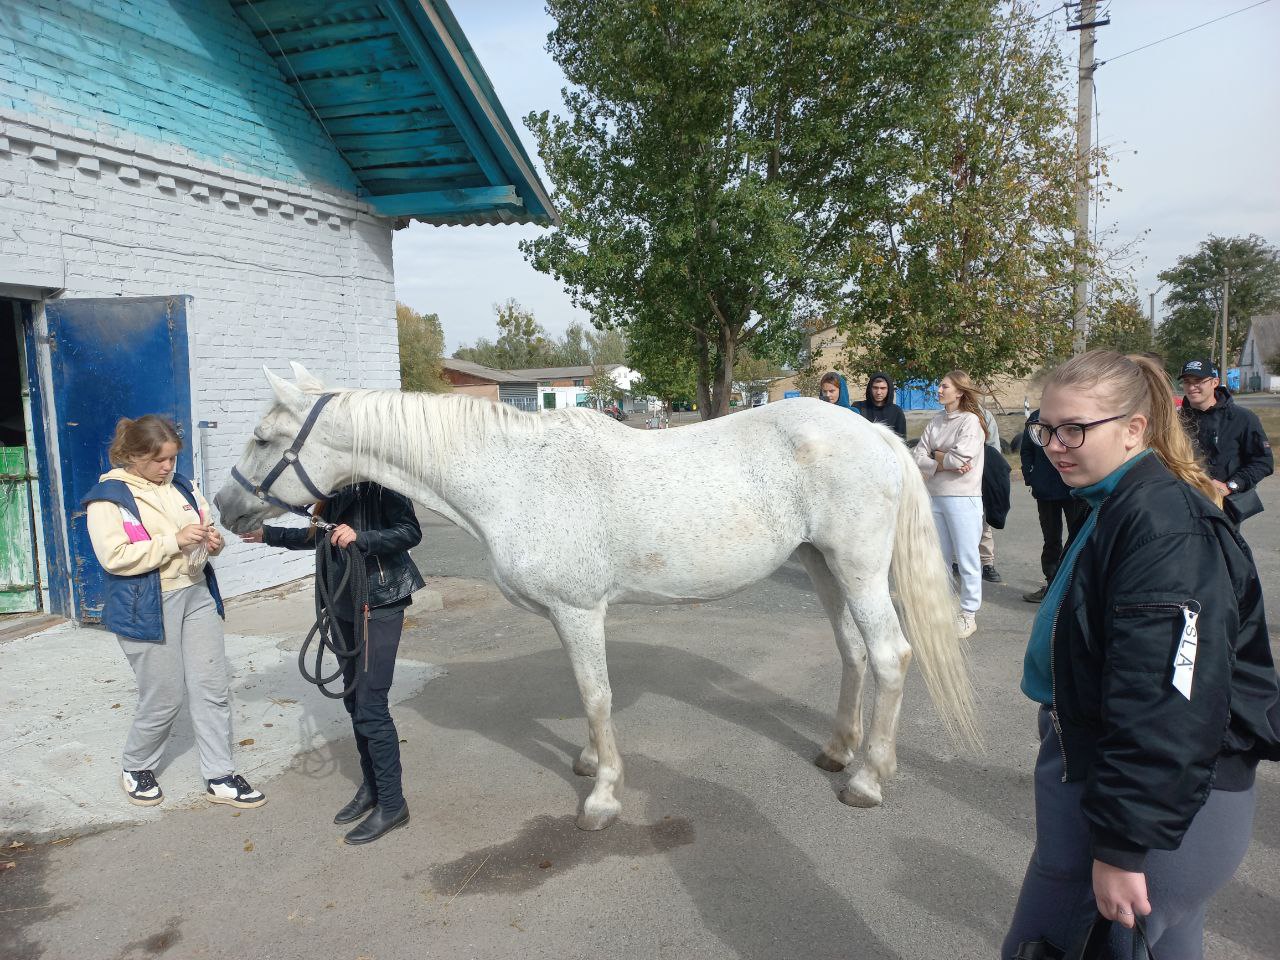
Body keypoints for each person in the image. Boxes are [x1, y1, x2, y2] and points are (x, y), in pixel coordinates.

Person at [1002, 351, 1280, 960]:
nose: (1053, 444)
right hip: (1131, 781)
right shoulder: (1120, 502)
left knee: (1050, 946)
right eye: (1045, 428)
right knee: (1169, 944)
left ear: (1135, 428)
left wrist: (1123, 847)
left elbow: (1166, 700)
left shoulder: (1162, 528)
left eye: (1075, 428)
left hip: (1160, 802)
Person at [83, 415, 266, 810]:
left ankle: (219, 775)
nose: (168, 467)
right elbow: (115, 558)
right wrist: (173, 541)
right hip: (147, 603)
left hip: (197, 593)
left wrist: (212, 541)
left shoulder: (182, 485)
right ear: (132, 455)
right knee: (164, 695)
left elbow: (203, 527)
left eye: (172, 458)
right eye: (158, 460)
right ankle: (136, 766)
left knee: (211, 688)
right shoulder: (110, 498)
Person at [241, 483, 424, 845]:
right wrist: (268, 535)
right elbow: (320, 538)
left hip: (379, 601)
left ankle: (393, 804)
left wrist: (363, 537)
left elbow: (410, 532)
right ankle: (372, 788)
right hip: (342, 602)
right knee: (354, 699)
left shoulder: (381, 486)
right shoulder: (334, 490)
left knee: (371, 706)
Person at [913, 371, 986, 639]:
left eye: (944, 386)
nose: (939, 390)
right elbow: (918, 454)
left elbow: (961, 459)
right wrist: (942, 459)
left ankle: (968, 613)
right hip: (935, 496)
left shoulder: (971, 423)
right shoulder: (935, 421)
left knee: (967, 558)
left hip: (963, 498)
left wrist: (936, 457)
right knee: (939, 558)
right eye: (940, 385)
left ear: (960, 392)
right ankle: (941, 609)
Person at [1177, 357, 1273, 525]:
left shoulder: (1242, 418)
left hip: (1223, 511)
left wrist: (1231, 486)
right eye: (1186, 382)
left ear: (1215, 382)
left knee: (1225, 552)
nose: (1191, 387)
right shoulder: (1174, 421)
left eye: (1198, 381)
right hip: (1182, 506)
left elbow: (1263, 462)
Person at [1019, 407, 1089, 603]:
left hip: (1073, 489)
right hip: (1045, 489)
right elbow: (1026, 450)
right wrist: (1030, 476)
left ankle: (1076, 587)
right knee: (1051, 540)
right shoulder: (1036, 418)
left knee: (1079, 538)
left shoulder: (1075, 415)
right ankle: (1051, 584)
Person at [977, 405, 1003, 583]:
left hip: (982, 476)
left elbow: (994, 449)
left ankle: (987, 563)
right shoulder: (944, 416)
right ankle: (955, 561)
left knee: (984, 522)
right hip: (954, 478)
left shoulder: (984, 415)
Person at [852, 373, 906, 439]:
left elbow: (901, 441)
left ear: (889, 389)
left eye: (883, 388)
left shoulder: (897, 411)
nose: (878, 392)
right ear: (870, 388)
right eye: (875, 388)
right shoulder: (857, 407)